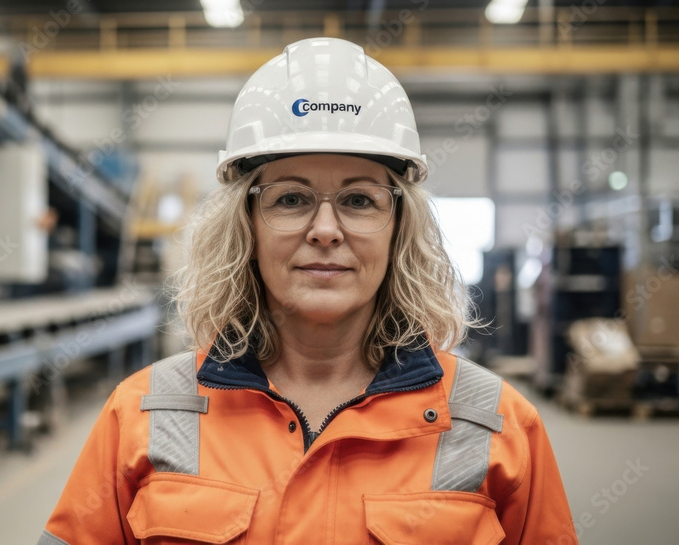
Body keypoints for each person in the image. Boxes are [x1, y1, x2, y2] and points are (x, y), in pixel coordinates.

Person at [38, 37, 577, 544]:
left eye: (360, 200)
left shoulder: (497, 423)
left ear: (399, 229)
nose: (325, 229)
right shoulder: (143, 414)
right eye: (291, 199)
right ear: (245, 226)